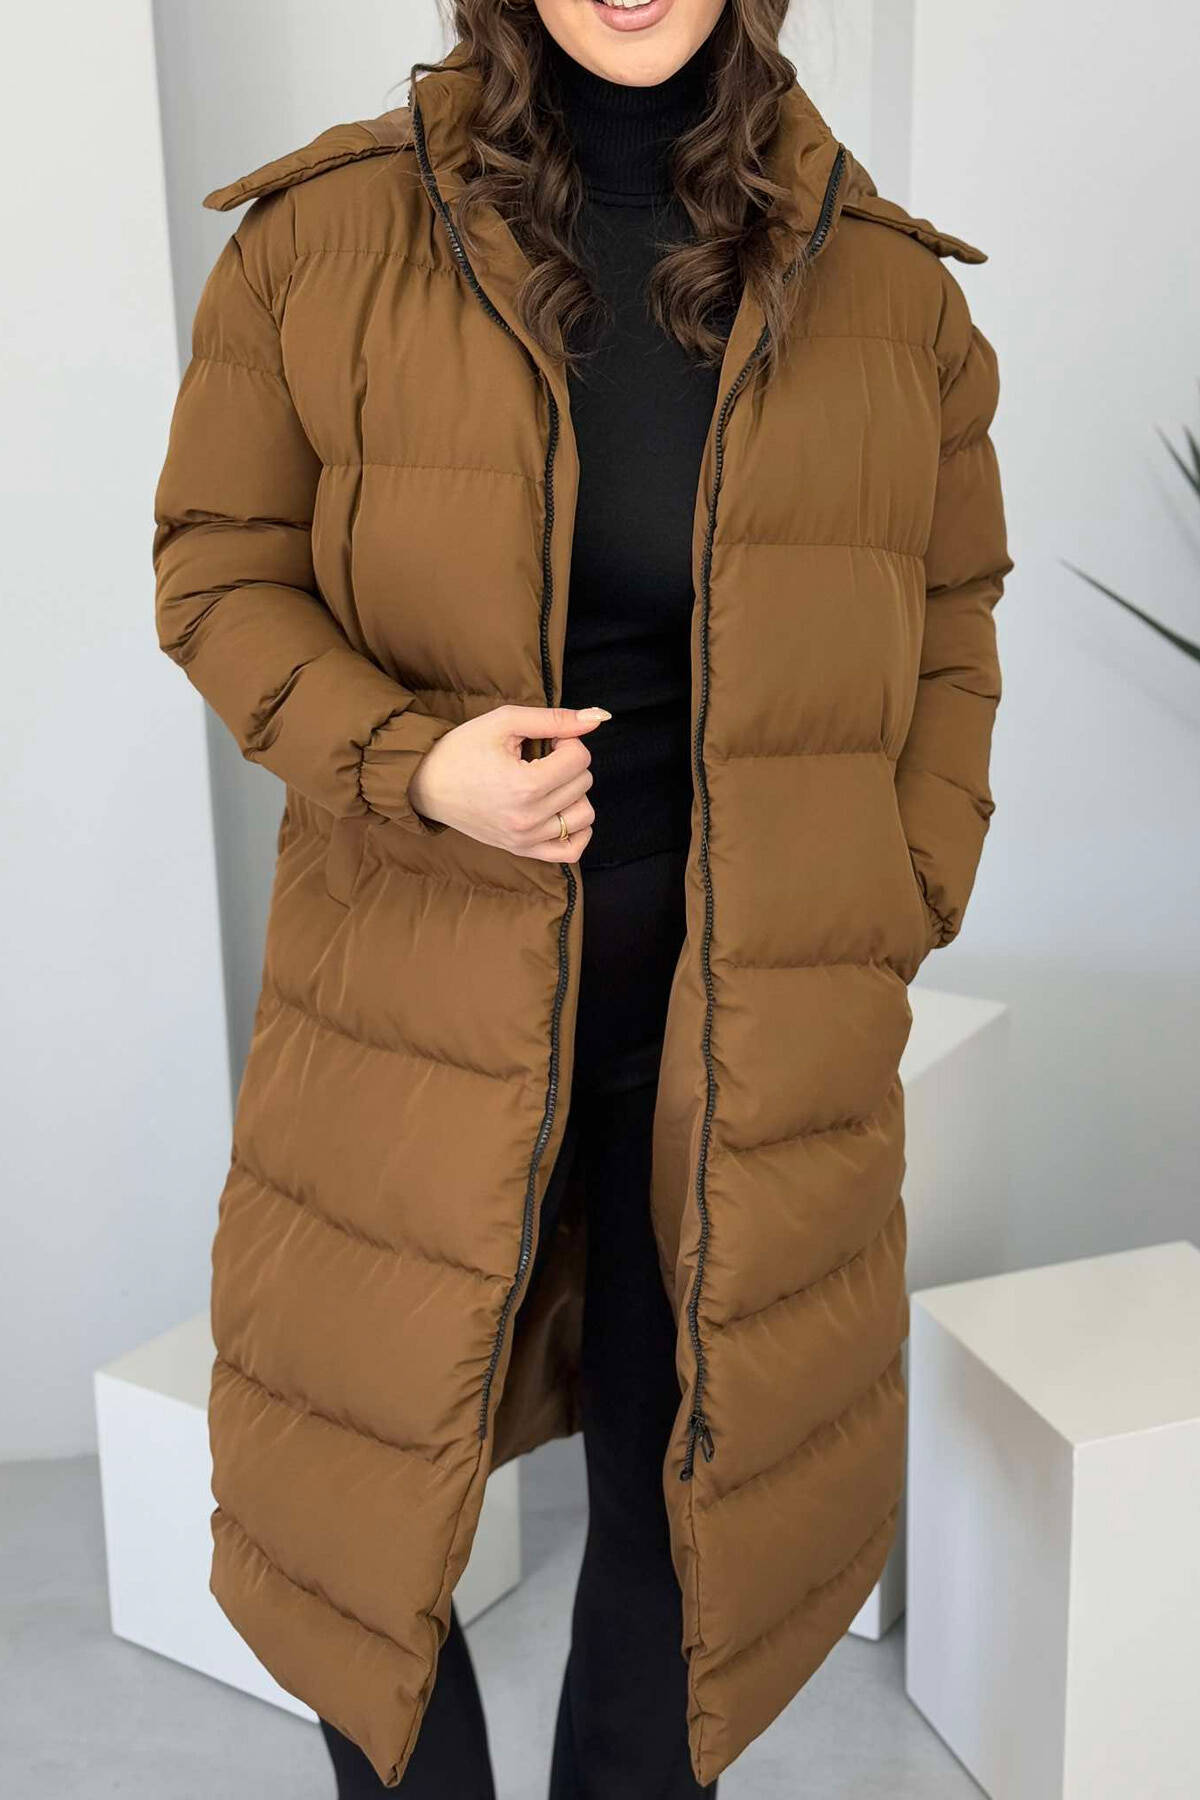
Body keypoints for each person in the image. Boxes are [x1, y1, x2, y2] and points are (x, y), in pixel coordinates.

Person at [152, 0, 1011, 1792]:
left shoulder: (890, 293)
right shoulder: (322, 239)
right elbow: (217, 574)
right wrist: (414, 761)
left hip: (738, 1024)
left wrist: (904, 891)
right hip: (413, 1001)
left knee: (691, 1507)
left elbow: (952, 618)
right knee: (358, 1508)